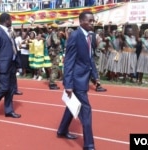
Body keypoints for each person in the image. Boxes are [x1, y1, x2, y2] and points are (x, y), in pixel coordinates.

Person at [57, 11, 99, 150]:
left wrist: (95, 76)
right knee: (86, 110)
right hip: (76, 80)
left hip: (84, 78)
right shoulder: (74, 36)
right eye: (90, 21)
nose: (93, 23)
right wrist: (68, 84)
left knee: (71, 106)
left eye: (93, 20)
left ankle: (62, 130)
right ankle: (89, 145)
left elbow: (89, 58)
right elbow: (68, 62)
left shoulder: (90, 37)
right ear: (81, 21)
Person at [0, 13, 21, 118]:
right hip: (3, 65)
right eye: (10, 19)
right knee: (4, 88)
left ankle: (9, 110)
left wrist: (18, 63)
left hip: (12, 64)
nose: (11, 21)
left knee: (11, 89)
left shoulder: (10, 32)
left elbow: (13, 47)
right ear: (6, 20)